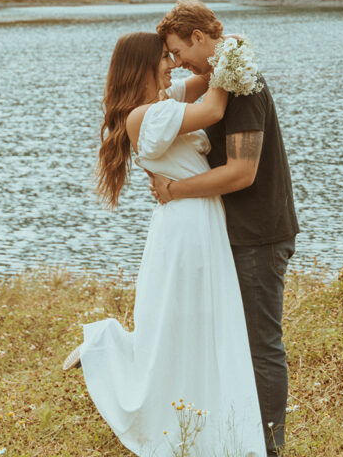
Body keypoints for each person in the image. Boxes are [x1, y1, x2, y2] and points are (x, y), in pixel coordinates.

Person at [64, 31, 266, 457]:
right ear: (142, 65)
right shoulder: (145, 117)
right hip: (185, 227)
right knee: (178, 327)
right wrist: (233, 52)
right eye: (163, 58)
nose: (171, 64)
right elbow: (213, 104)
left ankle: (207, 427)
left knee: (195, 326)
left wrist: (221, 48)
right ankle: (104, 347)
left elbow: (204, 79)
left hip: (198, 217)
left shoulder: (164, 99)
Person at [152, 0, 299, 457]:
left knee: (261, 345)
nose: (177, 64)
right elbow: (188, 91)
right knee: (235, 339)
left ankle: (269, 447)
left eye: (178, 51)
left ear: (198, 37)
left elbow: (242, 173)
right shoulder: (223, 75)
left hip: (259, 233)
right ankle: (238, 437)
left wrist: (175, 190)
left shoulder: (244, 84)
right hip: (234, 232)